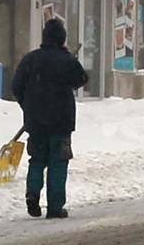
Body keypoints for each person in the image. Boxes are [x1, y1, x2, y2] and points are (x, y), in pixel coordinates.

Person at [10, 16, 89, 222]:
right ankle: (55, 207)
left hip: (35, 122)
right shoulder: (67, 61)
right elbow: (81, 79)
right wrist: (69, 61)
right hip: (60, 121)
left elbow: (16, 86)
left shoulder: (30, 59)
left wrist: (27, 106)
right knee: (58, 162)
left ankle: (32, 194)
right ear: (62, 39)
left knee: (37, 160)